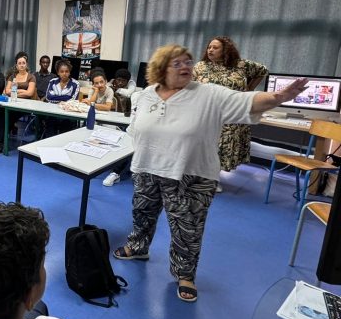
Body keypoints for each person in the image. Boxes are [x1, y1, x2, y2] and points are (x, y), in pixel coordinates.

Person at [113, 44, 307, 302]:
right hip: (147, 168)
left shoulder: (208, 94)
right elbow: (137, 128)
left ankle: (185, 274)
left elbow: (247, 101)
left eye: (188, 62)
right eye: (177, 63)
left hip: (191, 174)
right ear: (161, 69)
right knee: (142, 214)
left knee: (188, 229)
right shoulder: (148, 94)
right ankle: (138, 247)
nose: (185, 66)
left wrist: (278, 97)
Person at [193, 36, 269, 176]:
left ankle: (213, 178)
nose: (210, 50)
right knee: (205, 150)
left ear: (226, 50)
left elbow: (262, 71)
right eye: (209, 47)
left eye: (215, 48)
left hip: (232, 115)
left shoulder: (241, 65)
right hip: (208, 114)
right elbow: (191, 87)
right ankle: (205, 177)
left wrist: (249, 89)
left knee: (224, 150)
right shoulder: (200, 66)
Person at [0, 54, 36, 156]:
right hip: (12, 103)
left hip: (25, 106)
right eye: (19, 63)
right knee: (0, 114)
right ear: (16, 66)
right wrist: (22, 91)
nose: (21, 65)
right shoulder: (12, 76)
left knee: (9, 117)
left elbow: (30, 93)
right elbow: (7, 91)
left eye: (23, 63)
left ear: (26, 65)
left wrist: (15, 91)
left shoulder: (31, 77)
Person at [45, 58, 79, 136]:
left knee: (65, 127)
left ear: (69, 72)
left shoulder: (75, 84)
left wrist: (55, 97)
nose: (64, 73)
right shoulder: (52, 82)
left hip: (67, 113)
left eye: (66, 71)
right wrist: (65, 98)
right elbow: (48, 97)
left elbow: (72, 100)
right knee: (50, 123)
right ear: (58, 72)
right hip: (52, 111)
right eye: (62, 71)